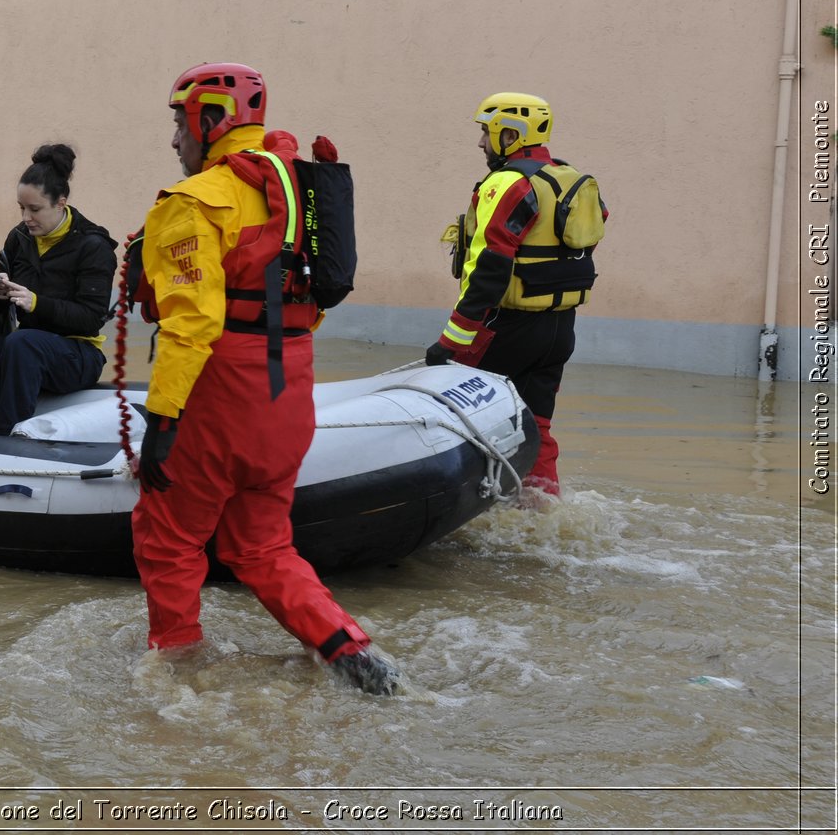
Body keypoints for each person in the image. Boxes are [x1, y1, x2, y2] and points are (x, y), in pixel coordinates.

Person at [130, 62, 401, 696]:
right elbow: (316, 297)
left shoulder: (193, 202)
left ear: (211, 121)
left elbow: (191, 324)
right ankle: (351, 651)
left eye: (178, 123)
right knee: (263, 548)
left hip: (220, 393)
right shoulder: (301, 192)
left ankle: (176, 669)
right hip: (289, 390)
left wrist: (162, 420)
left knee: (167, 537)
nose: (174, 140)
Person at [426, 92, 608, 501]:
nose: (480, 144)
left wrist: (451, 343)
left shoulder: (507, 182)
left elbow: (489, 267)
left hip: (506, 327)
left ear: (510, 134)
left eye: (485, 133)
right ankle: (543, 512)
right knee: (536, 426)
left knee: (465, 420)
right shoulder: (571, 179)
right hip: (559, 330)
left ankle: (460, 510)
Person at [0, 144, 117, 435]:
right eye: (22, 208)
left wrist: (37, 303)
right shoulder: (19, 238)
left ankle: (7, 438)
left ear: (61, 203)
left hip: (79, 354)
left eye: (35, 209)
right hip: (27, 349)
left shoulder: (93, 246)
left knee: (23, 343)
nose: (26, 217)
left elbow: (92, 318)